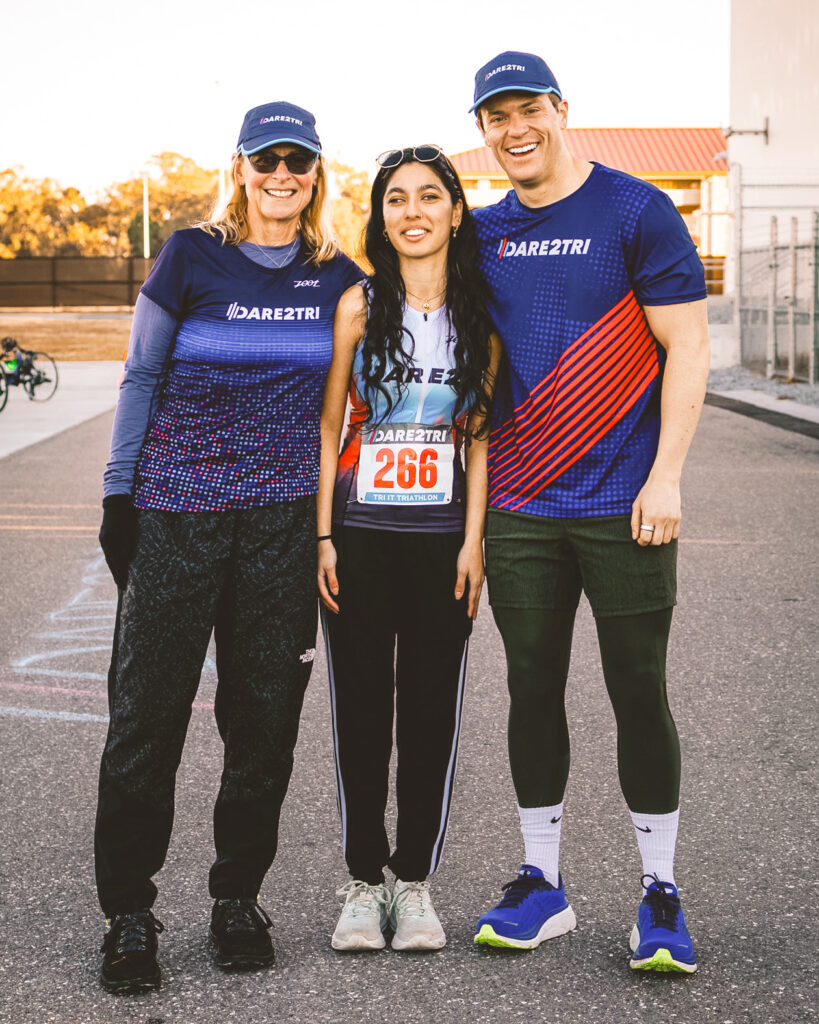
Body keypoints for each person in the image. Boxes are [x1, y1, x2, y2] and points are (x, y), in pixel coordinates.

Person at [94, 100, 362, 993]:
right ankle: (129, 913)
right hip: (176, 514)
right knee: (145, 719)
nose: (280, 174)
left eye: (297, 160)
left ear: (316, 173)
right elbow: (141, 373)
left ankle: (236, 899)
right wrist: (118, 494)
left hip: (280, 526)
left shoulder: (338, 276)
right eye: (265, 159)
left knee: (262, 726)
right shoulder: (190, 254)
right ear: (240, 167)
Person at [467, 52, 709, 973]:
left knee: (636, 692)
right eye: (496, 116)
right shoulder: (482, 233)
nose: (513, 128)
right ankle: (542, 882)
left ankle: (659, 891)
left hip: (624, 502)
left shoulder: (634, 209)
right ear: (483, 129)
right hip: (521, 506)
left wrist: (668, 475)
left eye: (527, 108)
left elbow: (685, 347)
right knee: (530, 687)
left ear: (560, 110)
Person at [317, 145, 499, 952]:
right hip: (358, 540)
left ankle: (415, 884)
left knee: (429, 713)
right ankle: (362, 884)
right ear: (380, 215)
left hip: (438, 549)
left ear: (456, 212)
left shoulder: (480, 313)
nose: (414, 211)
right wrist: (322, 533)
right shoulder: (357, 305)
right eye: (397, 199)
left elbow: (482, 439)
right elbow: (330, 429)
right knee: (360, 710)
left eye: (431, 197)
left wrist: (474, 543)